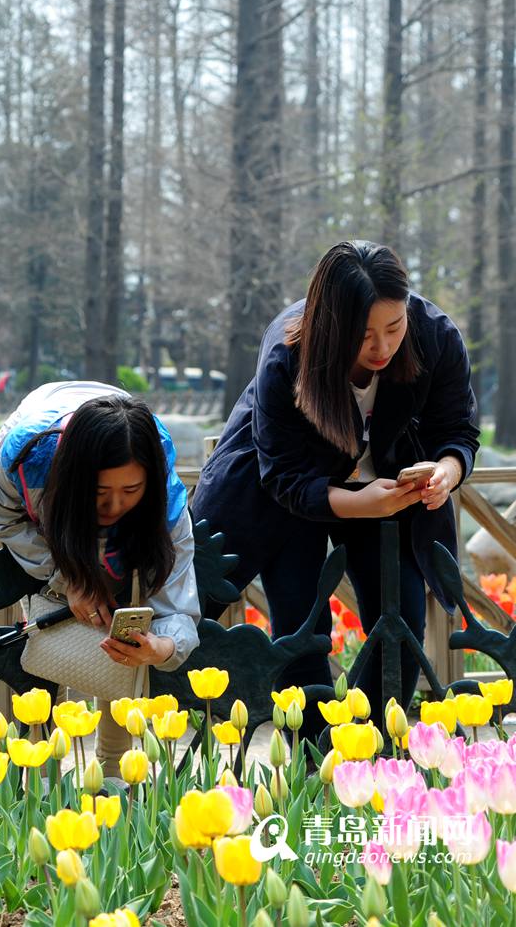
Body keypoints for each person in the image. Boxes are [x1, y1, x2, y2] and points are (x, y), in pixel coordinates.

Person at [192, 240, 479, 740]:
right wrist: (354, 503)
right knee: (302, 632)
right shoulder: (288, 351)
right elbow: (281, 474)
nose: (383, 347)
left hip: (393, 493)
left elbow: (459, 429)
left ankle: (354, 748)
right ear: (328, 325)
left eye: (394, 327)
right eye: (363, 335)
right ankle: (308, 763)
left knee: (402, 623)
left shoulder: (435, 336)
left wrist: (446, 472)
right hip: (288, 499)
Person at [0, 381, 200, 773]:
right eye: (100, 492)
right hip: (55, 512)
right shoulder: (25, 459)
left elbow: (177, 596)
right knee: (49, 646)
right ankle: (39, 776)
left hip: (114, 478)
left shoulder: (167, 506)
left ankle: (114, 776)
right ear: (76, 482)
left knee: (122, 618)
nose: (114, 505)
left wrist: (163, 648)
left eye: (131, 489)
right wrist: (66, 575)